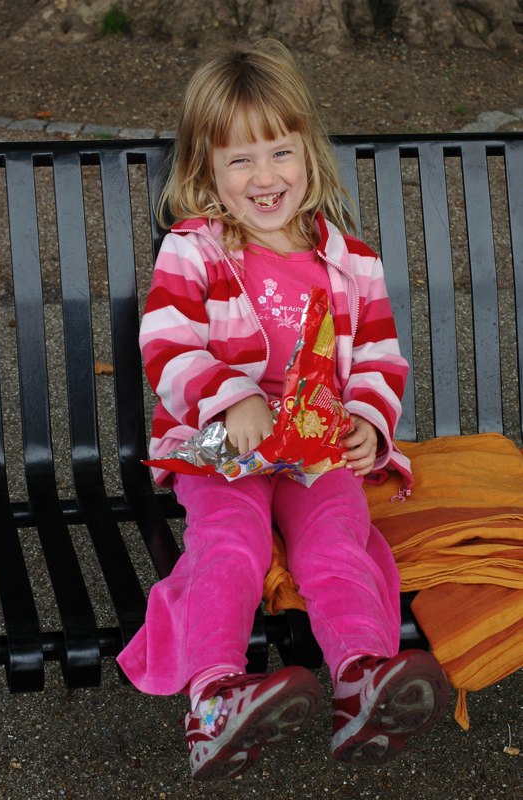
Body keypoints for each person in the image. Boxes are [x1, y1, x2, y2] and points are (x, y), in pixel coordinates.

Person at [117, 38, 449, 782]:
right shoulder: (195, 250)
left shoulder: (352, 261)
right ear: (204, 170)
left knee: (338, 542)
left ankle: (362, 679)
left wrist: (367, 421)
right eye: (240, 160)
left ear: (308, 153)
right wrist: (231, 397)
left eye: (280, 153)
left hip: (316, 445)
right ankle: (214, 703)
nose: (265, 178)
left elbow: (379, 356)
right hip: (224, 448)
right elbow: (167, 344)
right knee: (229, 544)